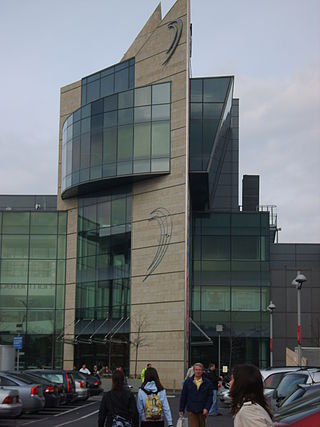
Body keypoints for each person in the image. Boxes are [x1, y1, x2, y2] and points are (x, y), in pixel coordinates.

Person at [179, 362, 213, 427]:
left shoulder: (208, 383)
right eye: (196, 370)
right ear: (193, 370)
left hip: (202, 410)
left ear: (202, 371)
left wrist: (207, 408)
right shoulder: (188, 382)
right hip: (191, 409)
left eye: (200, 370)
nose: (198, 371)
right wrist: (181, 409)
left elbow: (210, 397)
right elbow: (184, 395)